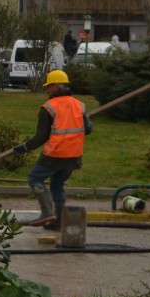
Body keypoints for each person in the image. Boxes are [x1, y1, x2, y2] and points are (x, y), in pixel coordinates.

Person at [13, 69, 92, 229]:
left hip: (55, 154)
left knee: (34, 178)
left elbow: (41, 136)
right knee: (56, 185)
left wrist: (25, 147)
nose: (47, 90)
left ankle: (47, 212)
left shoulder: (48, 108)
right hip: (74, 155)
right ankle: (59, 221)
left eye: (48, 86)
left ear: (55, 86)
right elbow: (88, 129)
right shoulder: (79, 105)